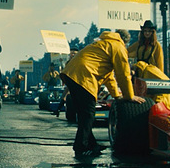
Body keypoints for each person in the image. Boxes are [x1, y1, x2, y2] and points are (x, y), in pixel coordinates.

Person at [61, 29, 145, 158]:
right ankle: (81, 147)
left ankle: (92, 144)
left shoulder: (103, 44)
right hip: (84, 75)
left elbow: (109, 76)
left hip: (71, 73)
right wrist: (129, 96)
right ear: (125, 41)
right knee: (88, 114)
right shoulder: (118, 47)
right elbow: (123, 74)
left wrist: (117, 95)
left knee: (84, 114)